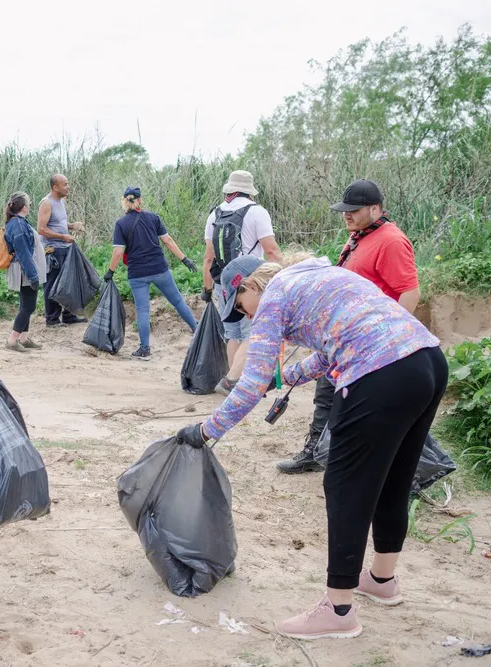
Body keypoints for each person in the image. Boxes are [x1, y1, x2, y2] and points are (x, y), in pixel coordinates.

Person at [176, 253, 445, 640]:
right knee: (393, 479)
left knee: (345, 487)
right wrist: (284, 377)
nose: (248, 316)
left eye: (241, 307)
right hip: (426, 362)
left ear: (250, 286)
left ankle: (338, 609)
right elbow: (330, 350)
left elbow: (249, 385)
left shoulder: (272, 298)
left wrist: (206, 430)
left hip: (380, 373)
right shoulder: (316, 277)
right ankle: (382, 581)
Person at [277, 179, 422, 474]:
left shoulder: (391, 241)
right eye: (345, 210)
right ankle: (316, 453)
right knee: (326, 395)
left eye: (354, 210)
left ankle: (395, 470)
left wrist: (390, 339)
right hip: (343, 338)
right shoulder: (359, 236)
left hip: (372, 343)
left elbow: (410, 292)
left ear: (375, 209)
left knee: (358, 407)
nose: (347, 215)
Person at [201, 170, 282, 395]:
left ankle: (233, 379)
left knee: (233, 333)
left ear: (230, 189)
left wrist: (207, 288)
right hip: (249, 284)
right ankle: (236, 380)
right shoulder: (257, 212)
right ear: (250, 191)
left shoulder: (214, 213)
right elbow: (272, 250)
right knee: (251, 333)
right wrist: (283, 276)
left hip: (222, 282)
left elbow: (208, 257)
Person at [103, 187, 198, 359]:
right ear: (140, 200)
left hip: (137, 273)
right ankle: (197, 330)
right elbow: (167, 241)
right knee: (177, 301)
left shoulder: (121, 224)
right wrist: (185, 260)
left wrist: (110, 271)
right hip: (159, 269)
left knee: (143, 310)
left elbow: (118, 252)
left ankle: (145, 349)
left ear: (124, 202)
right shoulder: (153, 218)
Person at [38, 173, 87, 327]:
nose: (68, 187)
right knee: (52, 283)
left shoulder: (61, 201)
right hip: (53, 250)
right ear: (55, 187)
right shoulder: (47, 203)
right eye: (65, 184)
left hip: (65, 248)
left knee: (68, 282)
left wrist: (72, 226)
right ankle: (52, 319)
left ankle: (68, 315)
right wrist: (62, 237)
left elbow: (58, 222)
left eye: (67, 183)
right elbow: (41, 229)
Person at [3, 191, 46, 352]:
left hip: (24, 270)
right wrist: (33, 275)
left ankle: (23, 338)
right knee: (28, 306)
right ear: (23, 208)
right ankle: (12, 340)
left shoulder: (17, 222)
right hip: (24, 271)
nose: (30, 206)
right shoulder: (19, 225)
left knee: (26, 304)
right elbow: (23, 253)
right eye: (28, 204)